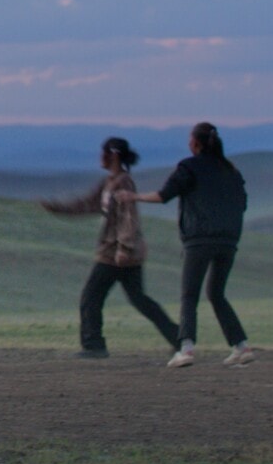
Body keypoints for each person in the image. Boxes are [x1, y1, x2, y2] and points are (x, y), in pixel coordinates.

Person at [124, 122, 257, 368]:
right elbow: (243, 204)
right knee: (216, 293)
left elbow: (164, 195)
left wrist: (134, 196)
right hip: (228, 241)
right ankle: (241, 347)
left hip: (199, 240)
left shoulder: (189, 167)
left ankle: (186, 349)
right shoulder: (231, 170)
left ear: (195, 143)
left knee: (189, 295)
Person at [39, 137, 181, 360]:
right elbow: (88, 203)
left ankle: (94, 345)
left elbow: (128, 216)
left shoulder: (123, 183)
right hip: (121, 253)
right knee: (139, 299)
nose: (100, 157)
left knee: (91, 296)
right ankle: (179, 337)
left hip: (115, 254)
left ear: (112, 155)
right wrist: (58, 208)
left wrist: (124, 247)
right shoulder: (109, 182)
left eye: (103, 153)